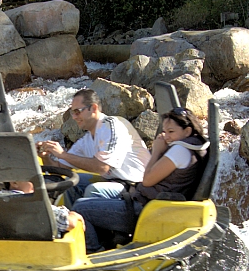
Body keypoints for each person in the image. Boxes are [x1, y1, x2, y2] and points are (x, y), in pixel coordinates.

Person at [72, 107, 208, 253]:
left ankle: (94, 252)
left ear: (187, 131)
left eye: (171, 132)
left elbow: (148, 180)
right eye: (165, 131)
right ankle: (109, 241)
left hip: (145, 210)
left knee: (81, 208)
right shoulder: (195, 145)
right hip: (147, 201)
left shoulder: (179, 151)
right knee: (96, 193)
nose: (166, 136)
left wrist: (156, 151)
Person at [36, 89, 150, 205]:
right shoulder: (87, 139)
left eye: (77, 111)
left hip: (136, 189)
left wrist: (63, 154)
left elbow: (102, 167)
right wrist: (46, 157)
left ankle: (79, 218)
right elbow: (59, 168)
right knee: (71, 183)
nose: (74, 117)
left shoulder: (112, 126)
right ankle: (68, 219)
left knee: (94, 191)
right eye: (72, 112)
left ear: (94, 108)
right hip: (114, 182)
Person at [1, 181, 84, 238]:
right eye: (32, 178)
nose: (39, 182)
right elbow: (70, 223)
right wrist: (73, 214)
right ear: (14, 182)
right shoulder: (31, 204)